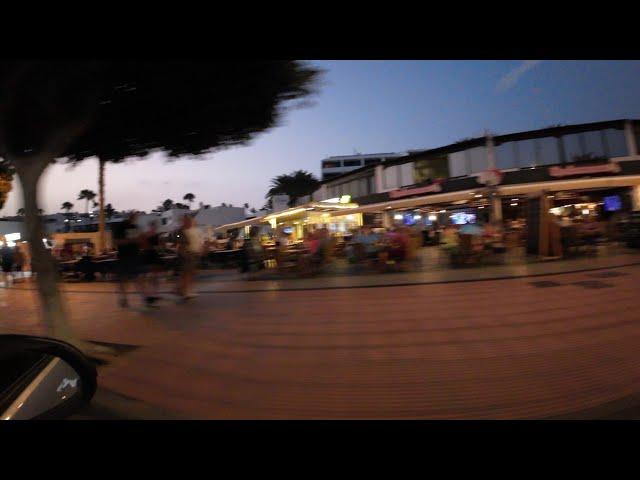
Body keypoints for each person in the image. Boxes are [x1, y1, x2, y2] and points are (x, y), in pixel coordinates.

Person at [112, 211, 143, 308]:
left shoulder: (135, 227)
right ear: (129, 216)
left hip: (134, 256)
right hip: (124, 257)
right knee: (124, 279)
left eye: (136, 217)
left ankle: (144, 298)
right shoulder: (120, 227)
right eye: (134, 216)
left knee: (136, 278)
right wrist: (130, 241)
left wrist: (138, 241)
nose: (135, 218)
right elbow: (116, 241)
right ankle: (124, 298)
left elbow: (139, 241)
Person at [175, 215, 203, 301]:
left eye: (189, 221)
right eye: (188, 221)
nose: (190, 223)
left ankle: (182, 290)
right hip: (185, 254)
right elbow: (178, 241)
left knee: (188, 273)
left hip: (189, 254)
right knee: (187, 273)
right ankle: (183, 291)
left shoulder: (186, 230)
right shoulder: (181, 231)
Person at [140, 220, 162, 306]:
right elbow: (157, 246)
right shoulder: (152, 234)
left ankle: (153, 294)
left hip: (149, 255)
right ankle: (152, 294)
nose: (156, 227)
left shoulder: (148, 234)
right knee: (152, 275)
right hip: (151, 255)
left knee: (152, 275)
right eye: (155, 225)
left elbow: (144, 245)